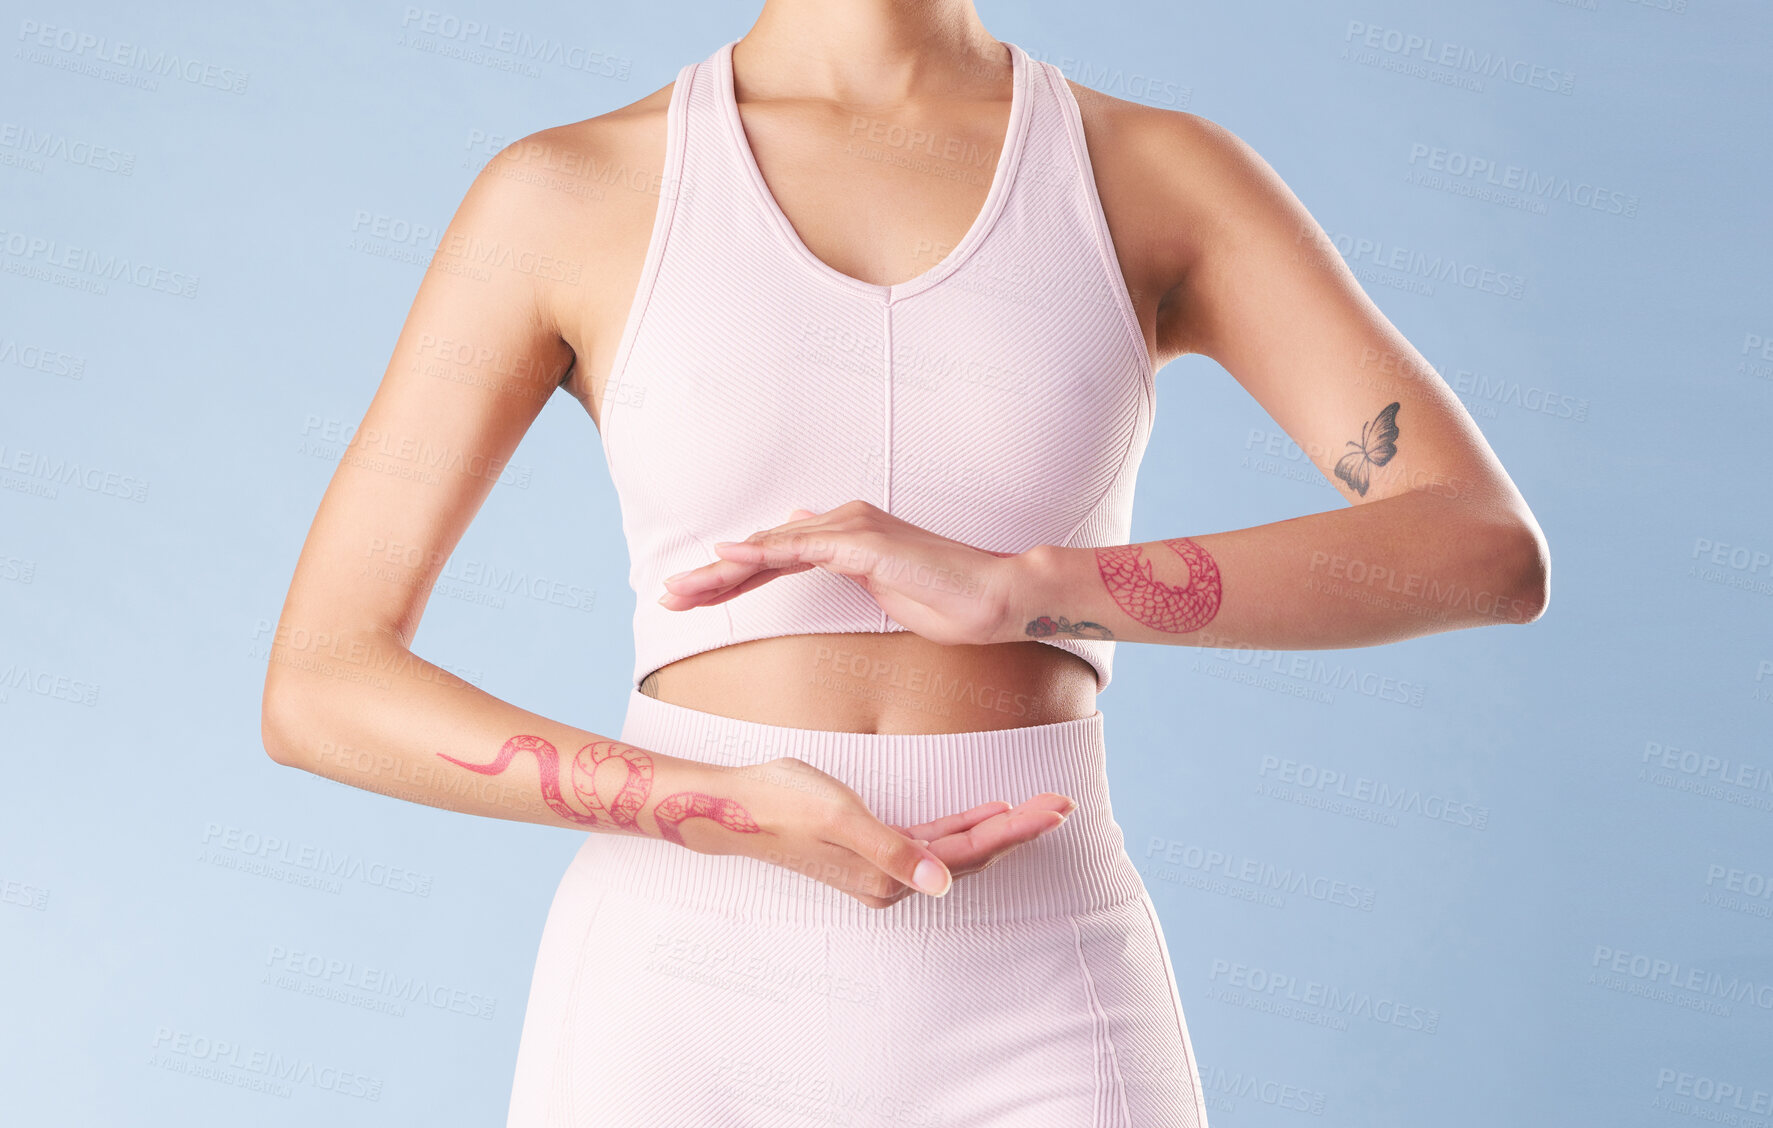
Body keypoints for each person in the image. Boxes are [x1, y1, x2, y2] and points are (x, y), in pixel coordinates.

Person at [260, 1, 1550, 1123]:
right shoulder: (570, 192)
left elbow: (1479, 548)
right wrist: (729, 806)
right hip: (676, 997)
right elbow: (320, 682)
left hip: (1042, 959)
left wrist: (1032, 587)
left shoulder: (1154, 174)